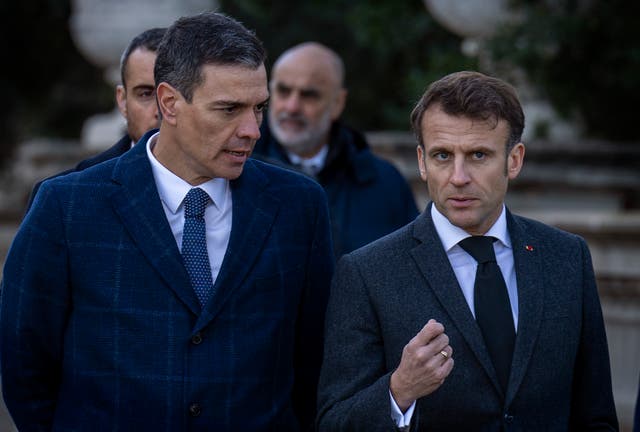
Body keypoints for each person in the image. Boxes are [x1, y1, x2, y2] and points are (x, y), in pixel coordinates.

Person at [1, 12, 333, 431]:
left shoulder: (299, 205)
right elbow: (23, 358)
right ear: (170, 103)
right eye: (229, 109)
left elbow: (314, 359)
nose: (251, 130)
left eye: (258, 108)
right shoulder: (67, 207)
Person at [317, 71, 618, 431]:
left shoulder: (567, 257)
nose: (459, 177)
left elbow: (596, 414)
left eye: (478, 155)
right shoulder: (367, 272)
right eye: (443, 155)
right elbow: (333, 422)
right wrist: (399, 390)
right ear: (422, 161)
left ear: (514, 160)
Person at [252, 42, 418, 258]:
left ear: (338, 103)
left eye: (309, 95)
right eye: (283, 91)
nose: (292, 106)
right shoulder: (240, 172)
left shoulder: (385, 182)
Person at [24, 27, 166, 211]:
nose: (160, 110)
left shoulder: (216, 182)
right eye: (145, 94)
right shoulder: (62, 197)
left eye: (173, 95)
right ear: (122, 101)